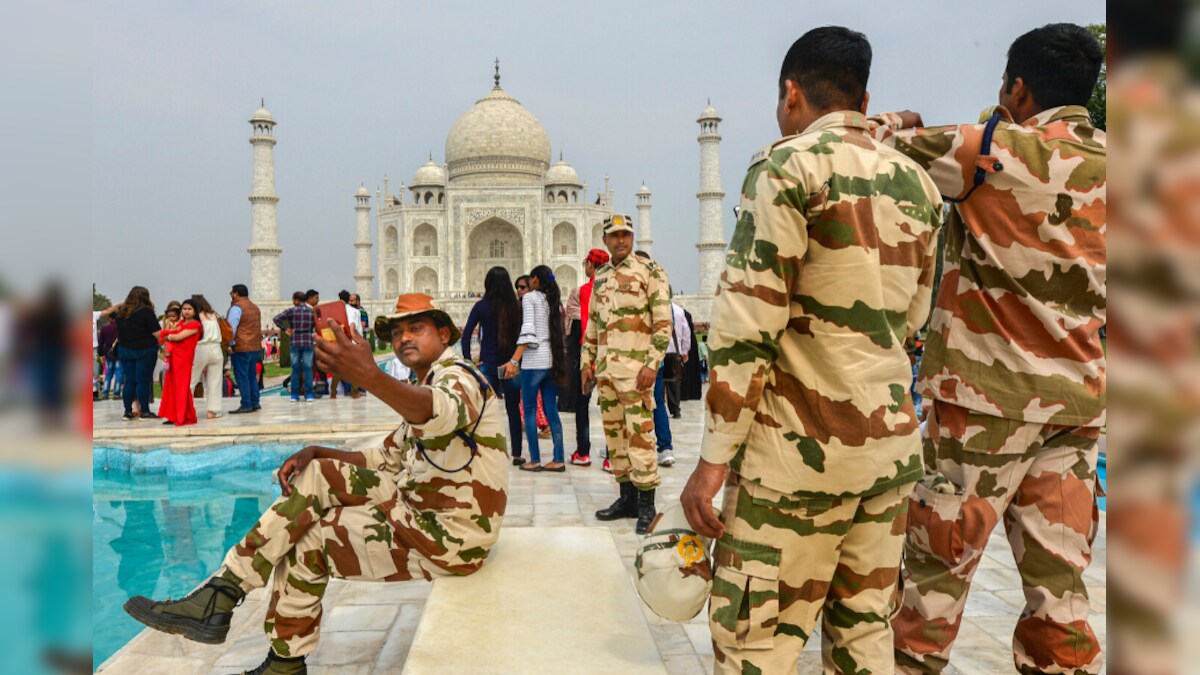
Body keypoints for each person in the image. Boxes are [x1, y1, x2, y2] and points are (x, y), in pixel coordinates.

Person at [679, 27, 943, 674]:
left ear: (791, 93)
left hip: (796, 460)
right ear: (864, 95)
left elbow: (746, 328)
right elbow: (913, 319)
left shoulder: (786, 167)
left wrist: (712, 463)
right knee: (864, 642)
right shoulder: (919, 186)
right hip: (885, 458)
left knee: (757, 648)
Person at [870, 23, 1107, 675]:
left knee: (929, 596)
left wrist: (900, 118)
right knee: (1060, 603)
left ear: (1018, 88)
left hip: (981, 412)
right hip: (1076, 414)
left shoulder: (990, 151)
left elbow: (870, 142)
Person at [124, 293, 510, 675]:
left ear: (445, 335)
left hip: (450, 538)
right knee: (304, 524)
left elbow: (436, 411)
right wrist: (317, 450)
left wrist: (369, 377)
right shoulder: (426, 383)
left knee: (312, 524)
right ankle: (280, 657)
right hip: (420, 515)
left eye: (416, 328)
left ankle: (221, 598)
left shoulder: (460, 378)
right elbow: (382, 459)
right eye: (397, 332)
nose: (404, 338)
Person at [582, 214, 672, 534]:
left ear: (633, 239)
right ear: (605, 241)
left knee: (641, 438)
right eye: (614, 235)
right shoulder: (602, 277)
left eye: (626, 235)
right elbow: (593, 324)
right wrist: (586, 363)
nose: (621, 240)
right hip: (607, 373)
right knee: (616, 439)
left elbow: (663, 323)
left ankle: (647, 506)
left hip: (637, 374)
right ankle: (627, 499)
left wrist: (652, 364)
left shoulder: (650, 272)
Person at [501, 265, 567, 472]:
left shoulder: (529, 298)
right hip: (551, 360)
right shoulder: (552, 299)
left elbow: (529, 331)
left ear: (536, 280)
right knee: (551, 411)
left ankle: (535, 459)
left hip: (533, 363)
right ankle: (558, 459)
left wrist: (514, 360)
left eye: (530, 279)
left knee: (528, 411)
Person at [463, 266, 526, 466]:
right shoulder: (516, 306)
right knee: (513, 409)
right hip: (510, 365)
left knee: (481, 410)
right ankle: (516, 454)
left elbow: (466, 336)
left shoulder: (482, 306)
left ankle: (481, 452)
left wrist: (468, 362)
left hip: (488, 363)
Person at [567, 248, 609, 467]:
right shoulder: (617, 285)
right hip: (613, 357)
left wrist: (587, 362)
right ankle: (613, 458)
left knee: (582, 406)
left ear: (591, 265)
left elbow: (586, 327)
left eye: (586, 264)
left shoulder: (586, 290)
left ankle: (583, 453)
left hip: (590, 356)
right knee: (612, 408)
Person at [114, 286, 162, 421]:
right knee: (143, 381)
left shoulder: (121, 313)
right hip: (145, 350)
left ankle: (128, 411)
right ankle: (145, 411)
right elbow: (156, 332)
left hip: (125, 350)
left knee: (129, 381)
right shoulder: (146, 311)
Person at [157, 299, 202, 426]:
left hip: (183, 359)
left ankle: (181, 416)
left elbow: (177, 337)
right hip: (173, 357)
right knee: (171, 386)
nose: (186, 311)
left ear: (194, 311)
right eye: (184, 309)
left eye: (189, 309)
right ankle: (174, 415)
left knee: (182, 387)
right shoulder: (181, 322)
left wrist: (168, 336)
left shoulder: (195, 325)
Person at [274, 291, 316, 403]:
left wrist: (284, 329)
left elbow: (276, 319)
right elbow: (317, 325)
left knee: (295, 369)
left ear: (296, 300)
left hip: (295, 342)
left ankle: (294, 395)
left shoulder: (291, 311)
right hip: (308, 342)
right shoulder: (311, 311)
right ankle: (309, 395)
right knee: (308, 369)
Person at [227, 284, 263, 414]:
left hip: (241, 347)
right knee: (252, 376)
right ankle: (255, 402)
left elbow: (231, 328)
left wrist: (230, 344)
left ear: (235, 293)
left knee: (242, 377)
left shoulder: (237, 307)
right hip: (254, 347)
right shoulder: (255, 307)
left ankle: (246, 404)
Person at [189, 295, 225, 419]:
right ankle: (212, 411)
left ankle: (185, 408)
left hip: (200, 348)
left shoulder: (195, 317)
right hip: (216, 348)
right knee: (214, 382)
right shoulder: (213, 315)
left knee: (191, 380)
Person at [330, 290, 364, 399]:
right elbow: (352, 326)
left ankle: (333, 393)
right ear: (348, 299)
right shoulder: (354, 311)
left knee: (338, 368)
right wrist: (356, 340)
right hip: (353, 342)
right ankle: (354, 392)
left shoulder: (335, 312)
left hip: (340, 342)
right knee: (357, 368)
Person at [663, 295, 692, 420]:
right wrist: (685, 351)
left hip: (659, 350)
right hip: (674, 351)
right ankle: (675, 409)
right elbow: (686, 332)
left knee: (659, 381)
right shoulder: (679, 311)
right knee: (674, 382)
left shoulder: (656, 307)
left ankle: (658, 408)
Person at [97, 314, 122, 399]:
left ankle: (105, 393)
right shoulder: (120, 328)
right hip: (119, 353)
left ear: (109, 319)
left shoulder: (104, 329)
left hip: (108, 353)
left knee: (108, 374)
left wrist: (100, 354)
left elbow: (101, 343)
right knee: (118, 374)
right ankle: (116, 393)